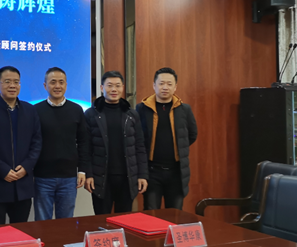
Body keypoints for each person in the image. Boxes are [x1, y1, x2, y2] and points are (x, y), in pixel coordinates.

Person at [0, 66, 42, 225]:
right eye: (7, 81)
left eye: (16, 82)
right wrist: (3, 170)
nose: (12, 85)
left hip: (23, 182)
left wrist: (26, 167)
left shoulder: (30, 110)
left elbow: (37, 141)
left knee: (21, 230)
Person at [85, 71, 148, 214]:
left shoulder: (132, 114)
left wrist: (142, 175)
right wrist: (89, 174)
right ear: (102, 88)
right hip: (101, 178)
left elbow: (139, 146)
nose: (114, 89)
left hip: (127, 178)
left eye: (118, 85)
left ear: (122, 88)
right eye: (109, 85)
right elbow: (86, 148)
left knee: (124, 219)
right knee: (101, 220)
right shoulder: (91, 114)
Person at [33, 67, 91, 220]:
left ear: (66, 85)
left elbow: (83, 142)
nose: (57, 86)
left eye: (61, 82)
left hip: (69, 177)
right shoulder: (35, 110)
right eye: (53, 82)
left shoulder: (76, 110)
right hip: (42, 177)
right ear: (45, 85)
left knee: (66, 222)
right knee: (42, 222)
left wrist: (82, 170)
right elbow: (31, 143)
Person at [136, 67, 197, 210]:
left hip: (176, 172)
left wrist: (179, 147)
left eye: (169, 84)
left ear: (175, 87)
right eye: (161, 83)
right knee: (151, 213)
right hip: (152, 171)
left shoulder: (184, 109)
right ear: (154, 85)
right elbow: (138, 138)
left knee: (175, 215)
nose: (165, 87)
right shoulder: (142, 109)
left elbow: (192, 134)